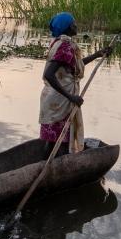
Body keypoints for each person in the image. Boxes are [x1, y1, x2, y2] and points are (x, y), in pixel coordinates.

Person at [39, 12, 112, 154]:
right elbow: (49, 75)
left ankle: (46, 166)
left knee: (54, 140)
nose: (76, 26)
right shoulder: (64, 46)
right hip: (60, 101)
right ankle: (56, 170)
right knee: (61, 142)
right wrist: (70, 97)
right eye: (73, 24)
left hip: (53, 98)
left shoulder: (59, 42)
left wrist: (98, 54)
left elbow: (74, 66)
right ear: (66, 27)